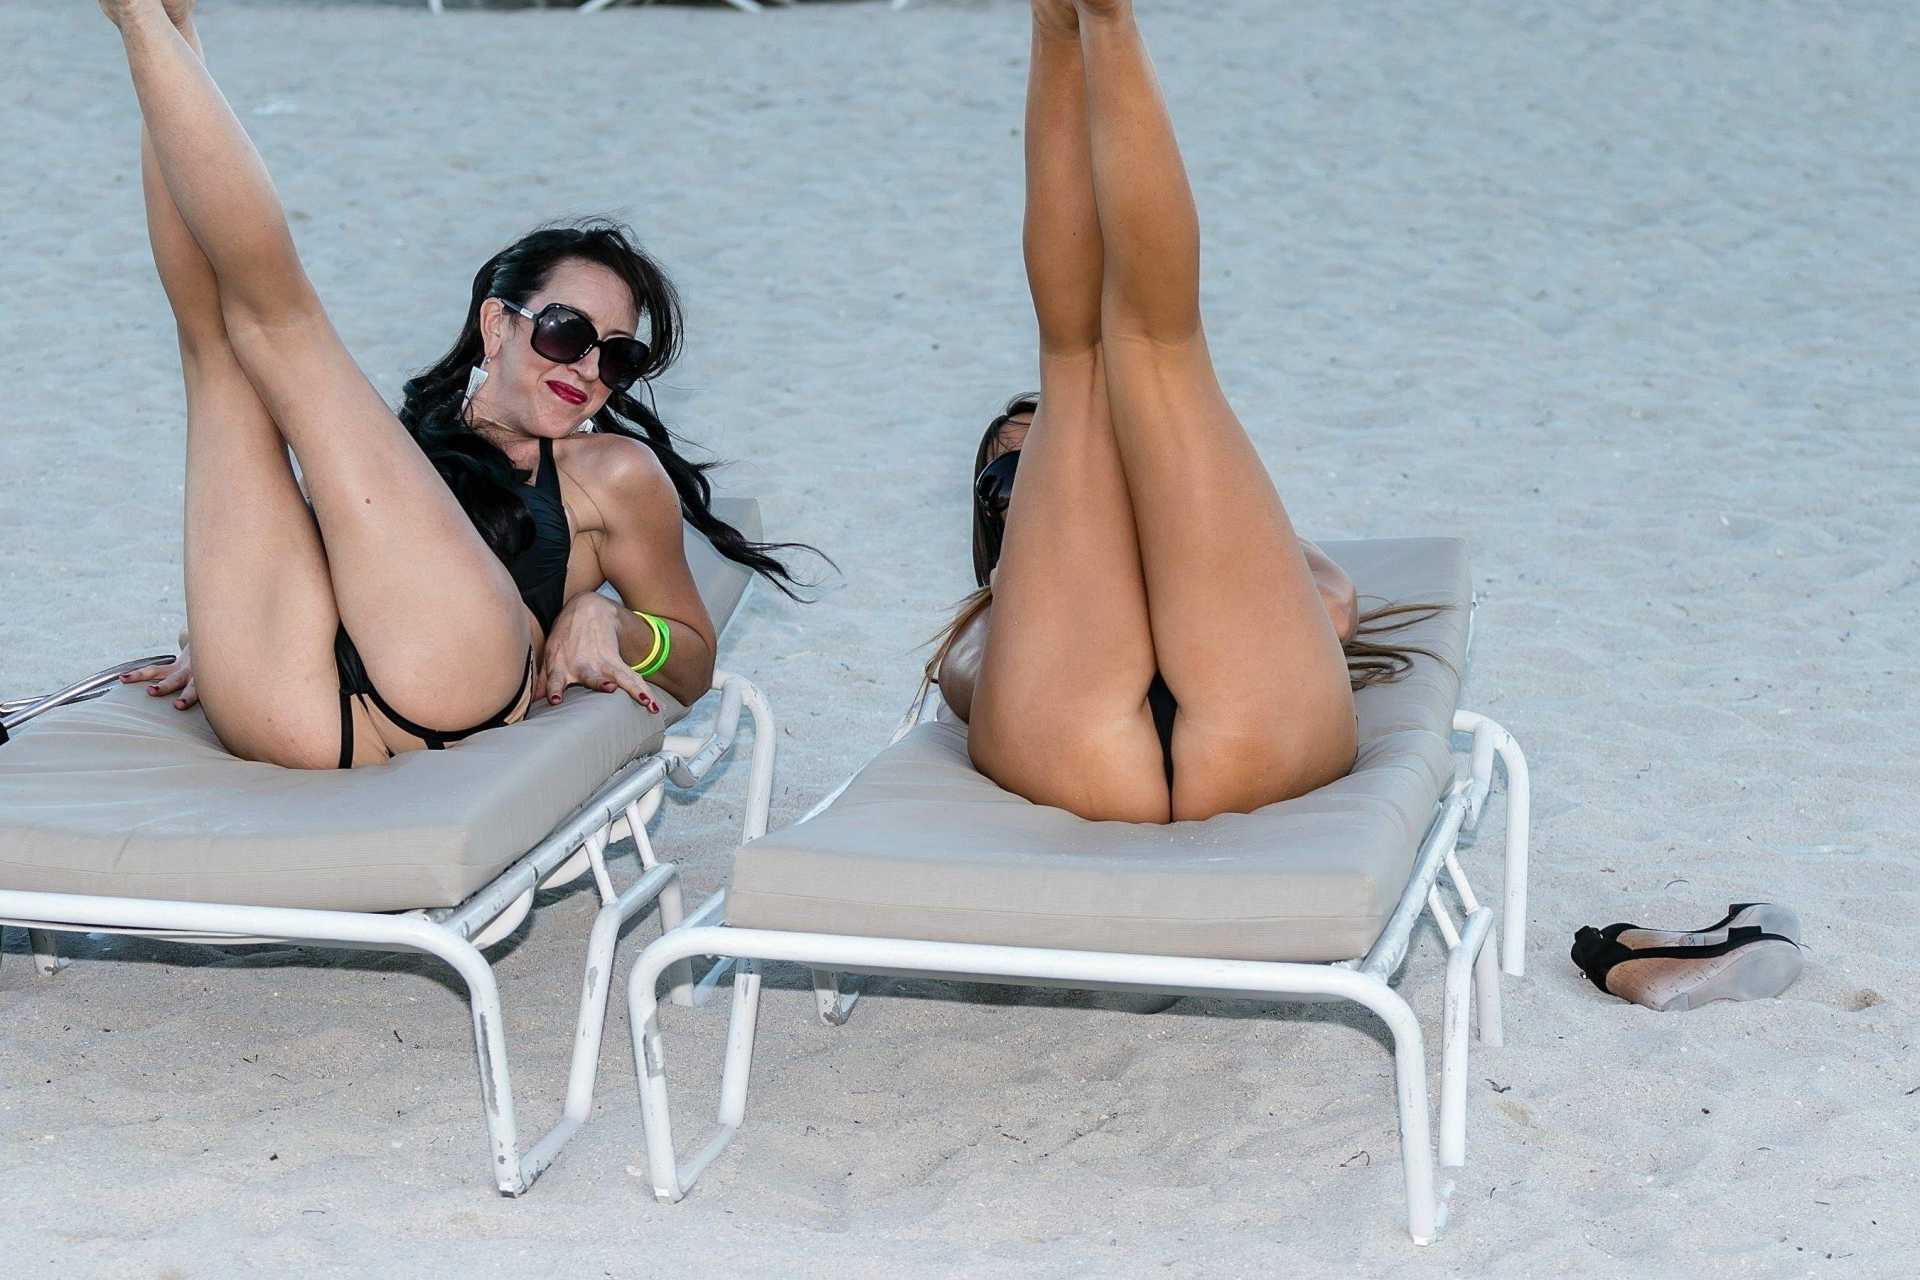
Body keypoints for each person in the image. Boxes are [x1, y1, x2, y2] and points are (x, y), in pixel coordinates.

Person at [100, 0, 810, 769]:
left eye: (617, 357)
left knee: (281, 330)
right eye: (567, 332)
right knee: (211, 350)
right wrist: (220, 630)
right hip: (290, 711)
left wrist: (615, 623)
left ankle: (139, 16)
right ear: (497, 325)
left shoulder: (612, 473)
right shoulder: (402, 449)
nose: (586, 368)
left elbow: (693, 655)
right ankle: (166, 24)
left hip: (447, 692)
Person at [927, 0, 1440, 824]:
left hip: (1223, 729)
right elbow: (961, 678)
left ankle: (1072, 24)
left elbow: (1336, 605)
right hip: (1096, 740)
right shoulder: (989, 620)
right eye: (1010, 473)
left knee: (1103, 360)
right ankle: (1081, 22)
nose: (1038, 474)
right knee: (1108, 359)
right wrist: (1016, 594)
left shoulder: (1229, 570)